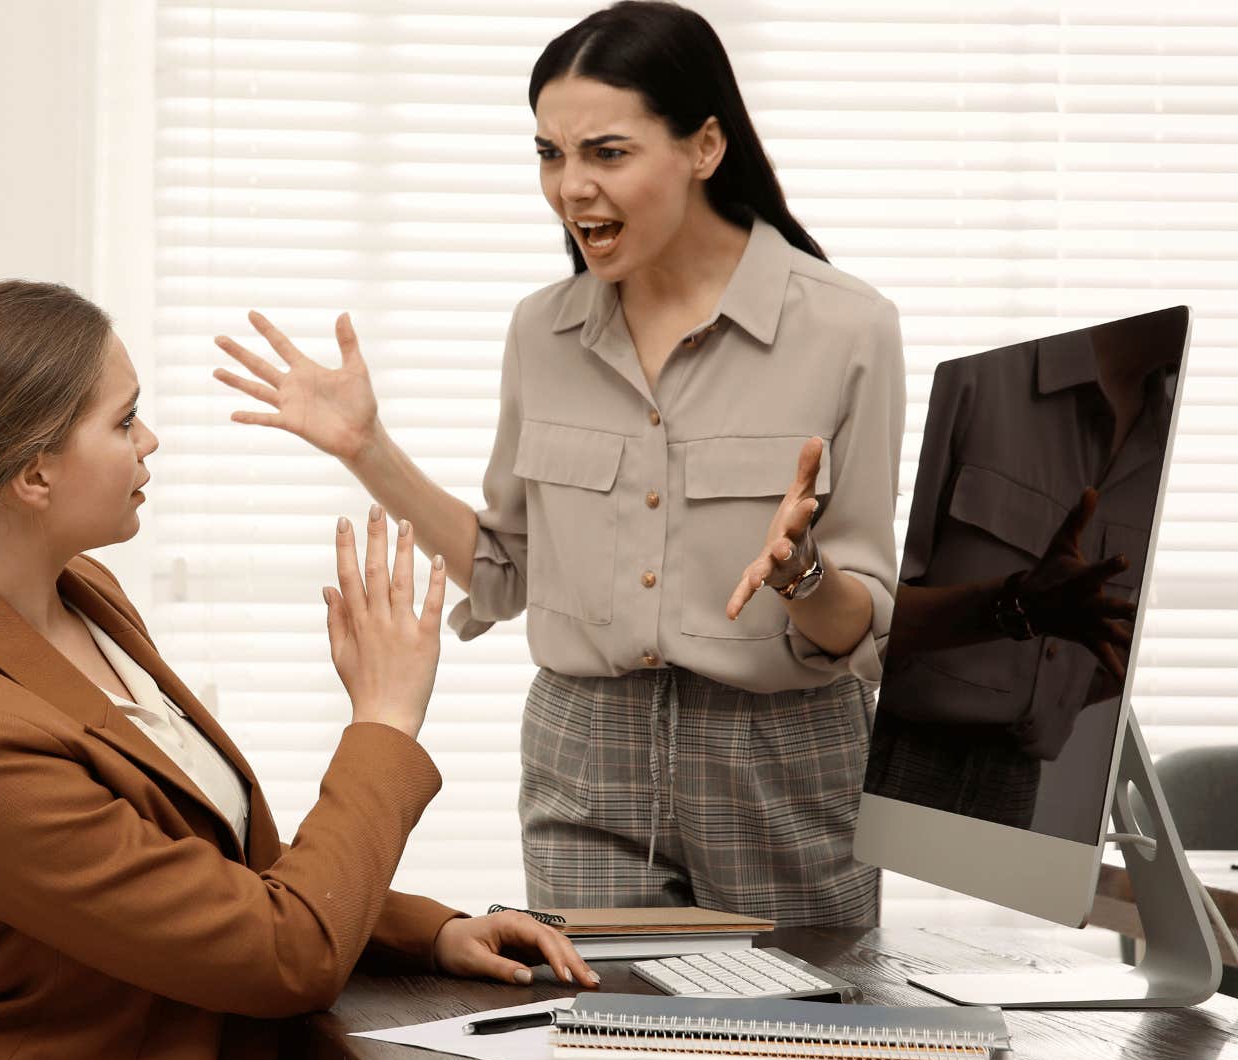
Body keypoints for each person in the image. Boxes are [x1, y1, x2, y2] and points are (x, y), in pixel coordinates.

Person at [0, 280, 596, 1060]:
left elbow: (209, 881)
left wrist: (426, 933)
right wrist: (383, 721)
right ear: (34, 475)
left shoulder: (83, 599)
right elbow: (283, 956)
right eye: (123, 420)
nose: (150, 441)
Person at [213, 1, 902, 926]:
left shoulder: (848, 328)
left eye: (606, 153)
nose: (570, 187)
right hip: (587, 751)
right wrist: (367, 451)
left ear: (704, 146)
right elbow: (506, 572)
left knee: (806, 1038)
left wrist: (803, 573)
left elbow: (868, 624)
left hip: (783, 756)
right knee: (595, 1047)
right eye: (550, 154)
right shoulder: (543, 330)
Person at [867, 308, 1182, 835]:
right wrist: (1015, 606)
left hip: (1015, 781)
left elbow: (1097, 650)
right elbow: (851, 607)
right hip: (892, 758)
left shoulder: (1170, 443)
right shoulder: (974, 373)